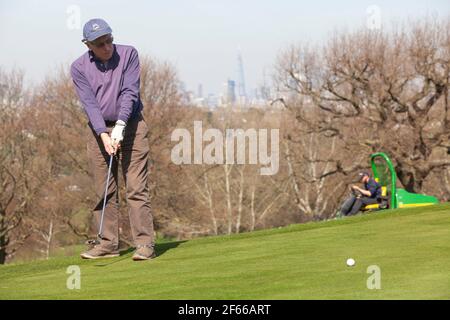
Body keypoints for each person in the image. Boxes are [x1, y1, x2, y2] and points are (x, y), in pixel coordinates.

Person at [70, 18, 155, 260]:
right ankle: (107, 244)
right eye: (100, 44)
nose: (107, 47)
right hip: (99, 130)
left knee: (136, 188)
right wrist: (103, 133)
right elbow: (89, 104)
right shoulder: (78, 67)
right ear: (88, 45)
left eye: (109, 40)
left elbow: (130, 91)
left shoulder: (129, 54)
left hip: (133, 125)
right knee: (103, 189)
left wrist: (120, 124)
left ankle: (144, 244)